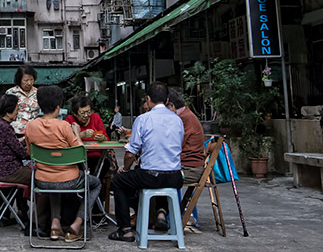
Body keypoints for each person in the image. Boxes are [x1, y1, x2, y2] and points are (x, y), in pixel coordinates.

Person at [108, 82, 184, 242]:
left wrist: (125, 169)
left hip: (150, 176)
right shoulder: (177, 120)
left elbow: (130, 154)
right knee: (161, 175)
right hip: (176, 177)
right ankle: (161, 213)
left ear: (148, 99)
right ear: (167, 99)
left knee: (119, 181)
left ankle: (125, 229)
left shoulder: (143, 119)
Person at [26, 85, 102, 242]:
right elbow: (80, 155)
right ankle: (77, 224)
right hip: (70, 179)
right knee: (96, 184)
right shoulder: (64, 126)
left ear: (40, 105)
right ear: (59, 106)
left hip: (42, 180)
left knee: (54, 180)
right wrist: (76, 133)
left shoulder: (30, 126)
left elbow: (29, 153)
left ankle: (55, 225)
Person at [162, 88, 206, 224]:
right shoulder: (185, 115)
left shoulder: (183, 119)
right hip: (187, 165)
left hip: (190, 169)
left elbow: (175, 145)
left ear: (171, 106)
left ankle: (161, 215)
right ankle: (161, 215)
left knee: (155, 176)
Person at [0, 93, 31, 186]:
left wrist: (27, 139)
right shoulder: (4, 127)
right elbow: (23, 154)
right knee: (42, 176)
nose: (18, 113)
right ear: (8, 112)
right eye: (16, 110)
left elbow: (15, 146)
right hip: (7, 172)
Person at [6, 65, 39, 134]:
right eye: (26, 80)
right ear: (19, 80)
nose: (29, 83)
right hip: (15, 132)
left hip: (34, 132)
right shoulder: (11, 93)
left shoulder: (38, 93)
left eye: (31, 79)